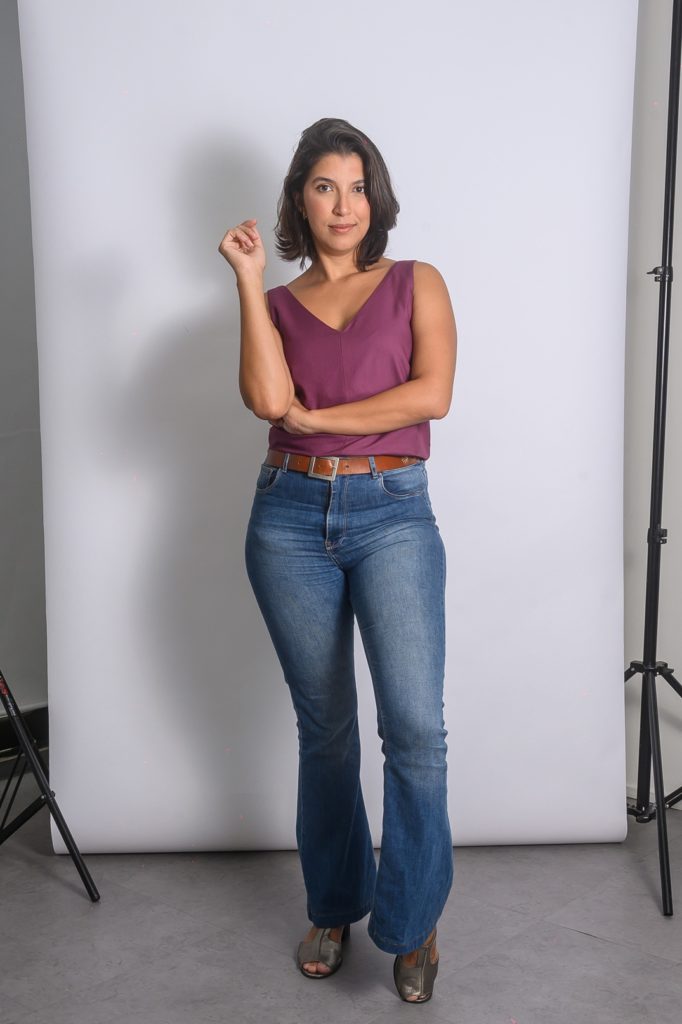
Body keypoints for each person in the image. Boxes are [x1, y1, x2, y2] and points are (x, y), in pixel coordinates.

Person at [218, 117, 457, 1004]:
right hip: (288, 518)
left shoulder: (416, 282)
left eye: (358, 187)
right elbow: (267, 399)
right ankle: (332, 903)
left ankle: (413, 919)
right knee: (324, 730)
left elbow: (432, 395)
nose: (344, 204)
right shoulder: (279, 307)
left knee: (416, 728)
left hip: (394, 512)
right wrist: (248, 284)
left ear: (376, 199)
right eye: (325, 186)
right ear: (300, 200)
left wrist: (320, 420)